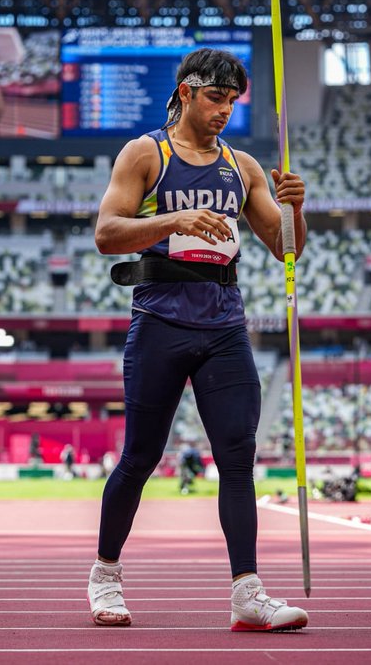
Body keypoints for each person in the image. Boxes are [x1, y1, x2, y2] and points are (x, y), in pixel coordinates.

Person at [87, 47, 309, 632]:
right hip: (160, 321)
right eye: (215, 98)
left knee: (238, 458)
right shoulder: (145, 154)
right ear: (186, 92)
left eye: (233, 101)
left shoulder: (243, 167)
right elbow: (107, 234)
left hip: (224, 328)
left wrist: (297, 209)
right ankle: (105, 576)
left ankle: (247, 592)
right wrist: (172, 221)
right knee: (140, 457)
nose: (224, 111)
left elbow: (286, 247)